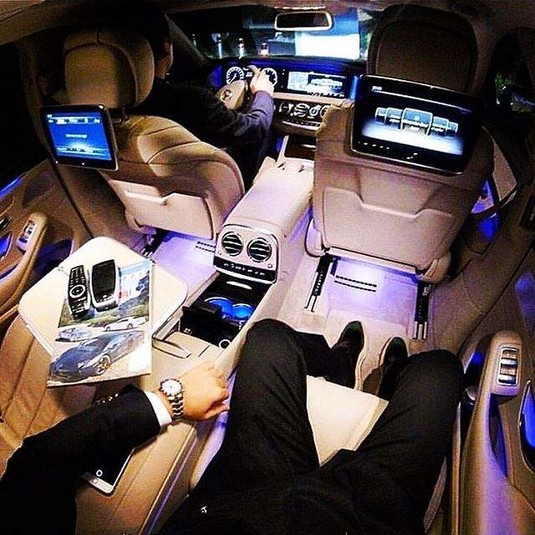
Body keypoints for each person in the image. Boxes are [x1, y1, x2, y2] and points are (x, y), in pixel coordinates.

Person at [0, 318, 462, 534]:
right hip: (362, 516)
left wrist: (169, 400)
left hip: (236, 503)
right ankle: (391, 379)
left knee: (268, 337)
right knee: (441, 370)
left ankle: (339, 364)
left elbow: (35, 465)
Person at [113, 0, 275, 187]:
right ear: (166, 46)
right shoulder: (189, 100)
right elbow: (253, 128)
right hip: (213, 195)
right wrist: (263, 93)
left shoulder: (105, 111)